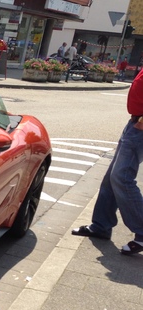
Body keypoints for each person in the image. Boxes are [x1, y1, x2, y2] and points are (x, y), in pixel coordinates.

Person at [71, 69, 143, 255]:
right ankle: (101, 225)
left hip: (141, 127)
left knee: (121, 177)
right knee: (112, 177)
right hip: (135, 124)